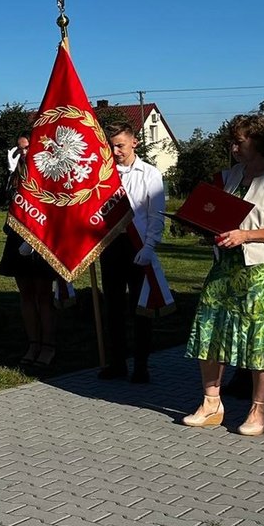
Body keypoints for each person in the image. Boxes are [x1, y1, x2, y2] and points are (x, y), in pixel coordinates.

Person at [182, 113, 264, 436]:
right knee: (209, 323)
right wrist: (207, 228)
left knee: (262, 333)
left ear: (259, 141)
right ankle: (211, 403)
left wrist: (246, 236)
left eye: (239, 142)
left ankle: (259, 408)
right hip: (227, 263)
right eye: (232, 142)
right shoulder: (234, 174)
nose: (233, 148)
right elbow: (226, 215)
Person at [97, 125, 165, 383]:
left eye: (120, 146)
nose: (115, 151)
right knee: (113, 306)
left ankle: (141, 365)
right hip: (111, 244)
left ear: (134, 142)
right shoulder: (104, 173)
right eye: (111, 146)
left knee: (140, 307)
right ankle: (117, 363)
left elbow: (156, 214)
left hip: (138, 245)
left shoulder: (149, 174)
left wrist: (150, 246)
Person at [0, 135, 59, 368]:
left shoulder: (47, 173)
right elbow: (6, 202)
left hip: (40, 239)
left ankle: (48, 345)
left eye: (27, 148)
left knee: (43, 295)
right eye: (20, 148)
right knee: (25, 294)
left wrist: (36, 239)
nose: (23, 153)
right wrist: (10, 174)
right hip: (17, 237)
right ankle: (33, 343)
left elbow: (52, 206)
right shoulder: (16, 174)